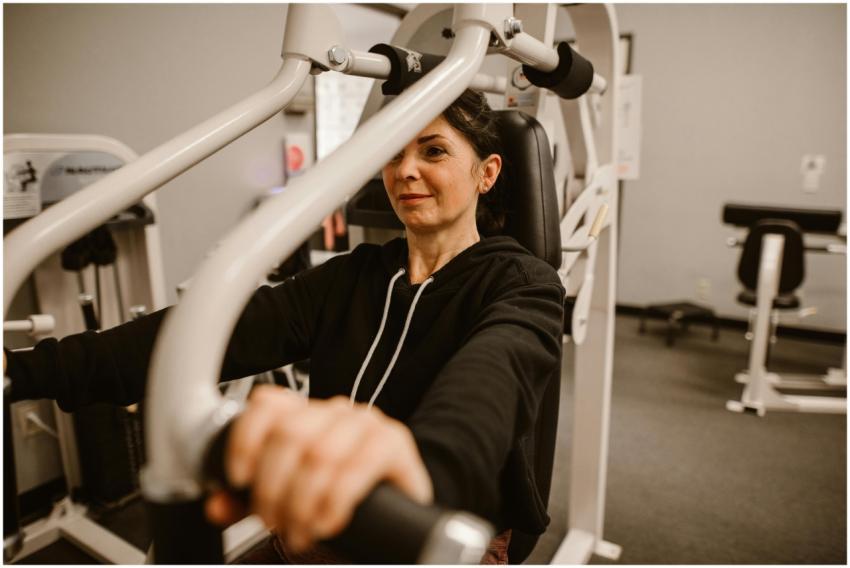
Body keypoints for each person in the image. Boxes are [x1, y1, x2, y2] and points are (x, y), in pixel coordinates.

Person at [5, 89, 565, 563]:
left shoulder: (523, 283)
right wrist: (22, 370)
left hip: (437, 527)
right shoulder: (354, 277)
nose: (406, 171)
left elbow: (493, 380)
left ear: (486, 173)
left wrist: (423, 475)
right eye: (394, 156)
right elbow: (196, 339)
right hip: (319, 513)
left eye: (434, 151)